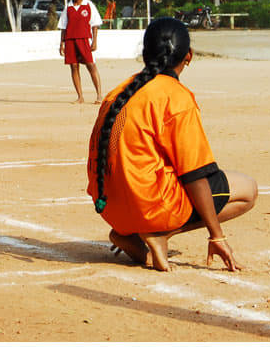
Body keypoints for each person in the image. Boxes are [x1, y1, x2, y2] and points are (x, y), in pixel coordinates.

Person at [87, 17, 257, 272]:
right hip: (147, 207)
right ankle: (159, 234)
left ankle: (131, 233)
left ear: (145, 54)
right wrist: (216, 235)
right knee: (248, 189)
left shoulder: (119, 92)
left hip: (110, 208)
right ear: (188, 55)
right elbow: (195, 174)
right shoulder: (175, 97)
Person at [58, 0, 103, 104]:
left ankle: (99, 95)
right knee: (74, 66)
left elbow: (94, 25)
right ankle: (80, 96)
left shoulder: (88, 5)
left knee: (91, 65)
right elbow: (63, 26)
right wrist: (61, 44)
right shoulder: (68, 7)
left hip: (84, 39)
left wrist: (94, 41)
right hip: (70, 40)